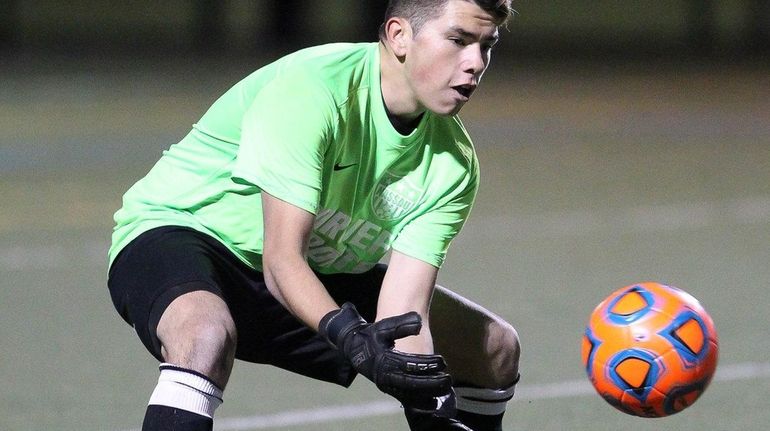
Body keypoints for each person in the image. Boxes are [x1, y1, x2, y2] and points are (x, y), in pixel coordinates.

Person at [107, 1, 520, 430]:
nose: (475, 64)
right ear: (399, 36)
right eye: (458, 41)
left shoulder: (452, 162)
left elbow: (405, 313)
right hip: (188, 236)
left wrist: (424, 396)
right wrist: (348, 334)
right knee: (204, 336)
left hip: (311, 270)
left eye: (486, 46)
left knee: (495, 347)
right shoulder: (315, 90)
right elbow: (281, 260)